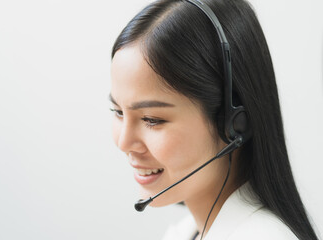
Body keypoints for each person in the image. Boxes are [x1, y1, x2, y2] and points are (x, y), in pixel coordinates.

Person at [109, 0, 319, 239]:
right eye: (118, 112)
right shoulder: (190, 231)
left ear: (234, 123)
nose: (124, 142)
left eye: (151, 119)